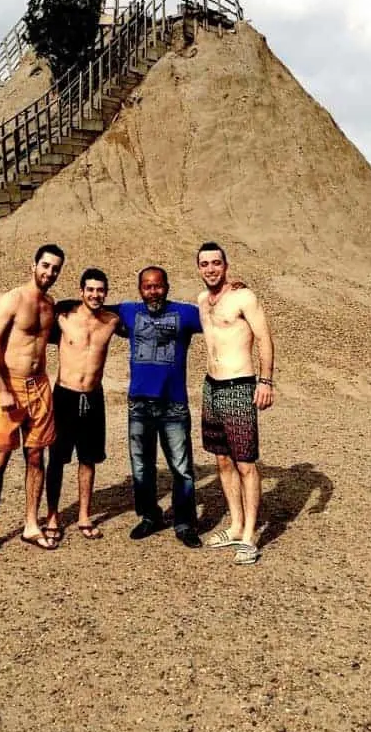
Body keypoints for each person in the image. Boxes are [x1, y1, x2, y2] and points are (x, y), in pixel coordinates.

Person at [0, 244, 65, 558]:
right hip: (9, 387)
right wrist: (1, 388)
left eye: (55, 269)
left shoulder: (50, 304)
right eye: (45, 266)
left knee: (37, 457)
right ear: (33, 265)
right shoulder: (12, 299)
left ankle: (31, 524)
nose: (49, 273)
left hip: (40, 388)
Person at [196, 241, 274, 564]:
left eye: (216, 263)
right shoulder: (202, 300)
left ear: (226, 266)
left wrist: (266, 381)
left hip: (240, 385)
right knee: (223, 461)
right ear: (199, 268)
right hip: (211, 386)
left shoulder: (244, 297)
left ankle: (250, 535)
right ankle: (236, 523)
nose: (211, 269)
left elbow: (265, 339)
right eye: (205, 264)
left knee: (245, 462)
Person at [115, 266, 204, 549]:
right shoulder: (128, 312)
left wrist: (232, 289)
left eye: (158, 286)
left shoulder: (186, 313)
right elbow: (91, 307)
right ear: (140, 288)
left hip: (173, 404)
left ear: (167, 286)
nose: (153, 291)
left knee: (182, 468)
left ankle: (185, 522)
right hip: (139, 403)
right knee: (142, 467)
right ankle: (150, 516)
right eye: (147, 286)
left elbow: (220, 315)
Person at [44, 268, 120, 543]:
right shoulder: (64, 317)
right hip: (65, 395)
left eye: (100, 290)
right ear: (81, 291)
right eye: (90, 290)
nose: (95, 295)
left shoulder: (112, 321)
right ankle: (52, 515)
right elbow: (38, 311)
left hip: (93, 396)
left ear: (106, 293)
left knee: (88, 459)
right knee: (57, 458)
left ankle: (84, 515)